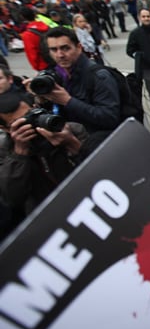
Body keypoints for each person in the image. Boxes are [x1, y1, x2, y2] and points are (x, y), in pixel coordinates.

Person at [0, 91, 89, 233]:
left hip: (86, 202)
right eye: (19, 123)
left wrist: (71, 142)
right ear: (5, 128)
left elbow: (99, 168)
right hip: (48, 220)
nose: (30, 124)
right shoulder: (6, 151)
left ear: (35, 106)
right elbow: (12, 198)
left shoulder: (70, 130)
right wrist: (20, 153)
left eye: (30, 115)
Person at [26, 27, 121, 135]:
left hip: (98, 140)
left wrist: (68, 101)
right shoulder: (55, 74)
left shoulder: (99, 76)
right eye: (54, 50)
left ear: (79, 47)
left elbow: (109, 118)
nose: (60, 55)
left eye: (65, 48)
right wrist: (43, 99)